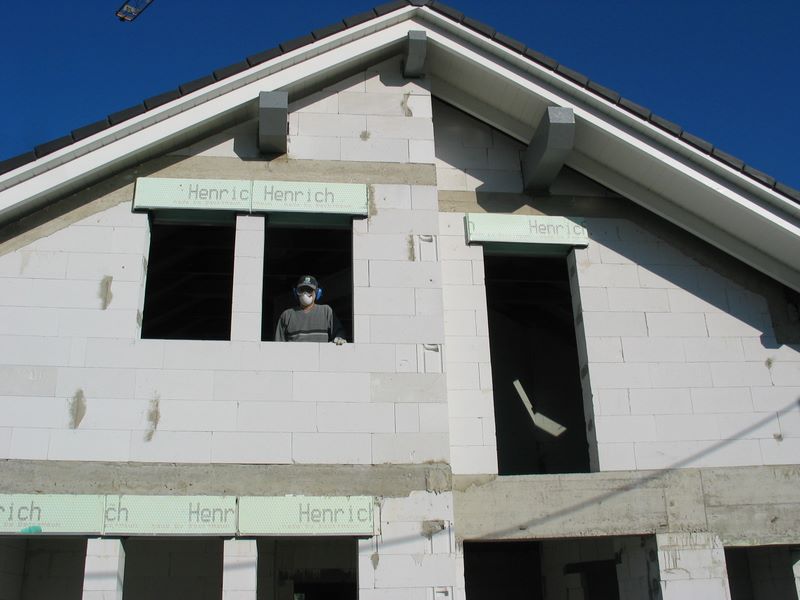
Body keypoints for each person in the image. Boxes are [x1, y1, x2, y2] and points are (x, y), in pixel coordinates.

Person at [275, 275, 346, 344]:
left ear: (317, 292)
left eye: (309, 290)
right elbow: (278, 344)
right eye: (301, 290)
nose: (305, 293)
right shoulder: (287, 315)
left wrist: (339, 337)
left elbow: (339, 332)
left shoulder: (326, 311)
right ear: (296, 293)